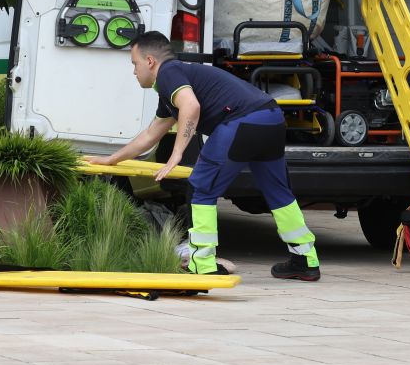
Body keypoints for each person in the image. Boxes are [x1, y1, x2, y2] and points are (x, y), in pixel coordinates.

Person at [86, 31, 321, 281]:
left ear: (150, 61)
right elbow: (151, 134)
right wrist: (112, 160)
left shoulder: (169, 73)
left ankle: (202, 263)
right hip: (271, 118)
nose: (134, 71)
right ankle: (305, 259)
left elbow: (191, 106)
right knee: (278, 193)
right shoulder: (171, 88)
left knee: (200, 188)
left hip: (242, 120)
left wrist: (176, 154)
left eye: (134, 64)